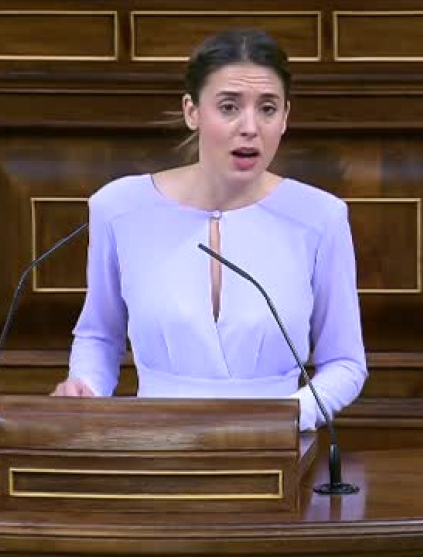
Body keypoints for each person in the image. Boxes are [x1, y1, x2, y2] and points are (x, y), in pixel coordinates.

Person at [51, 28, 367, 430]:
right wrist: (86, 389)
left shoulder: (321, 217)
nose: (250, 126)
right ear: (192, 111)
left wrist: (285, 418)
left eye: (268, 108)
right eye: (229, 106)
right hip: (154, 442)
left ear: (285, 117)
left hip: (275, 446)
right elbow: (100, 336)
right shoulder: (118, 208)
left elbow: (345, 363)